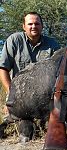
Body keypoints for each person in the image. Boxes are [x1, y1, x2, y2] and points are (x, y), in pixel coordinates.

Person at [0, 12, 60, 142]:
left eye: (37, 23)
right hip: (18, 94)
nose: (34, 26)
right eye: (30, 24)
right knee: (12, 122)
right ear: (24, 26)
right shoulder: (14, 40)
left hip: (44, 94)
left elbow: (59, 72)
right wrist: (11, 96)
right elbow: (3, 69)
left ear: (42, 26)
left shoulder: (53, 44)